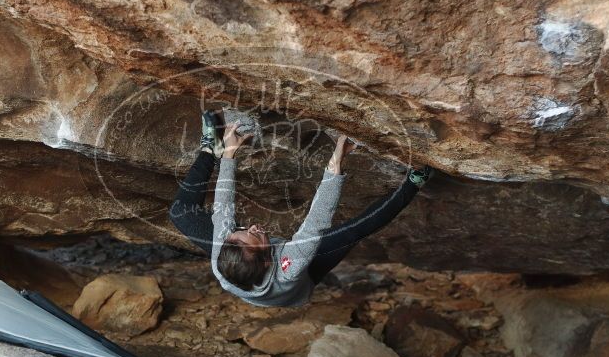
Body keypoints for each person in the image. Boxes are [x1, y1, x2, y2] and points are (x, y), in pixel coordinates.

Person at [169, 111, 433, 308]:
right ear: (270, 258)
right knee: (354, 230)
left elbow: (223, 208)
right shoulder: (290, 266)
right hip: (301, 283)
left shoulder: (221, 259)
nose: (254, 228)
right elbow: (317, 218)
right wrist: (336, 161)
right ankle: (414, 182)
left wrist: (228, 155)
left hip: (252, 270)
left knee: (180, 213)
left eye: (241, 231)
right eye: (258, 236)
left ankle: (209, 149)